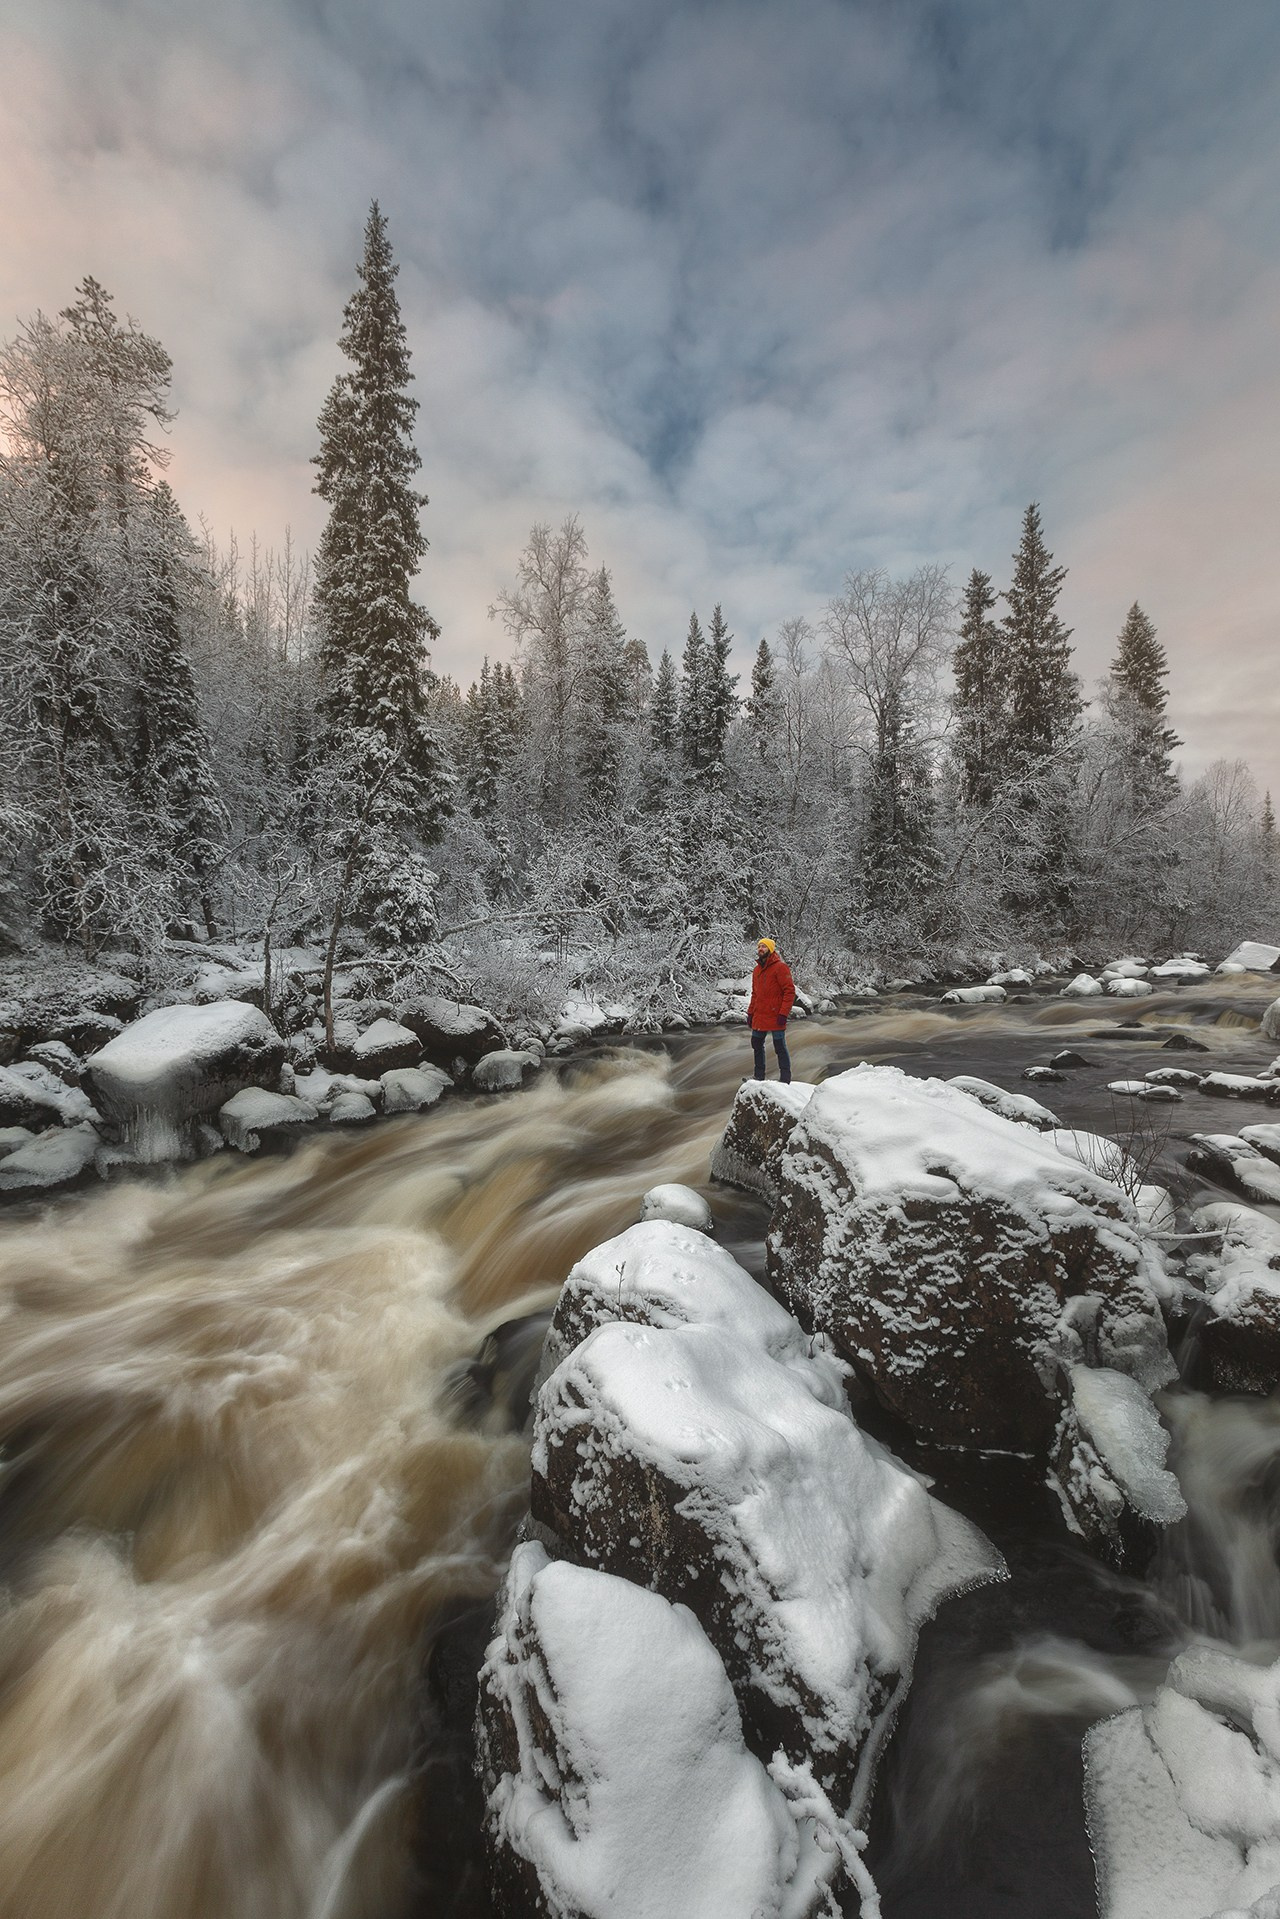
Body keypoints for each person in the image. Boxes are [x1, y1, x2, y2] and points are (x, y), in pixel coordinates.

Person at [746, 937, 795, 1083]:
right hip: (760, 1015)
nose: (760, 949)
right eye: (759, 946)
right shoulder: (756, 970)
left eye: (764, 947)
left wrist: (783, 1013)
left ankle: (785, 1079)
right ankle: (758, 1076)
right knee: (756, 1043)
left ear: (771, 949)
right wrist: (750, 1012)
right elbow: (755, 994)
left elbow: (789, 992)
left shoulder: (780, 967)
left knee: (779, 1047)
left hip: (776, 1015)